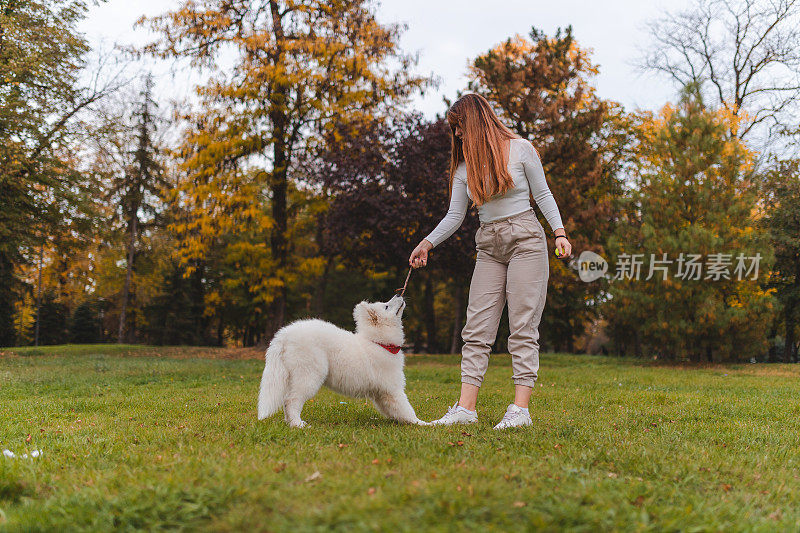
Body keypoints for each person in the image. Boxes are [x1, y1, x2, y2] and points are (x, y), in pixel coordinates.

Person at [408, 93, 571, 429]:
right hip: (489, 245)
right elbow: (454, 215)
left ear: (476, 121)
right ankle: (466, 409)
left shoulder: (520, 149)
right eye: (454, 128)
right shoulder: (465, 169)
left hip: (526, 239)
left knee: (523, 326)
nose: (457, 134)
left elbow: (542, 194)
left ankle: (519, 411)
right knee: (477, 329)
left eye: (460, 126)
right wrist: (427, 242)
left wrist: (559, 233)